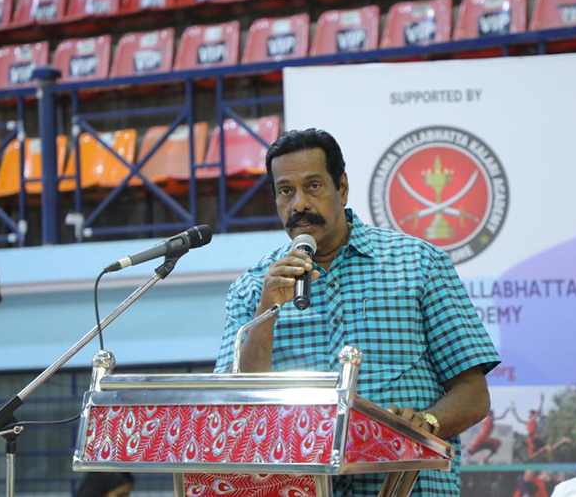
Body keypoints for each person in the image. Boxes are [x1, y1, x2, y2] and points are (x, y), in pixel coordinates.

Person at [214, 128, 501, 496]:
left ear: (342, 188)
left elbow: (473, 393)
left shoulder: (418, 264)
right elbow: (235, 407)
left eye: (313, 186)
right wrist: (267, 309)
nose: (299, 204)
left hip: (405, 485)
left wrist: (426, 422)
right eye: (285, 191)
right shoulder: (253, 288)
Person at [512, 394, 572, 460]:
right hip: (532, 439)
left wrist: (542, 400)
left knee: (532, 456)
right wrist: (514, 412)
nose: (528, 415)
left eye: (529, 414)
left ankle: (544, 448)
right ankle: (563, 440)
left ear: (532, 414)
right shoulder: (528, 422)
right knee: (550, 450)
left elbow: (539, 410)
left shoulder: (533, 419)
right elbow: (519, 420)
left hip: (534, 439)